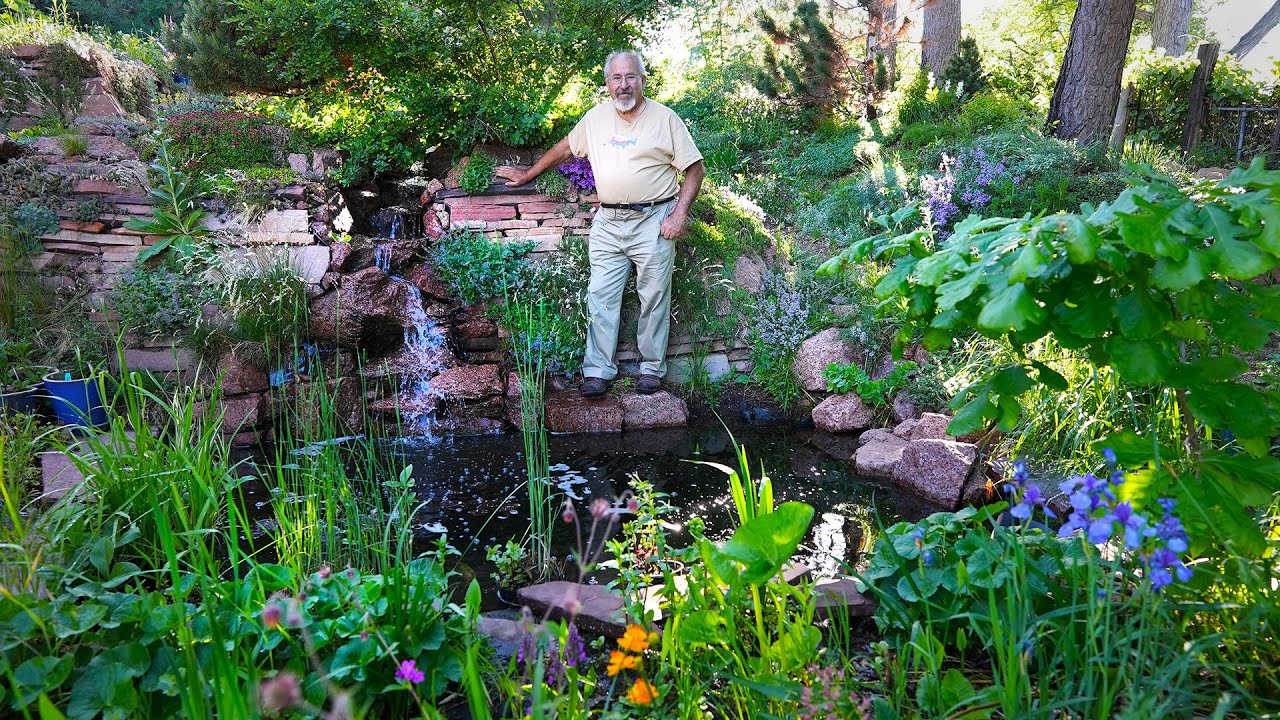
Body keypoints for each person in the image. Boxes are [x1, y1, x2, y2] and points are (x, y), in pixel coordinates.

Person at [495, 50, 705, 398]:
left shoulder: (665, 119)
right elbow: (565, 149)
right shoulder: (595, 119)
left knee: (653, 296)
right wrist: (528, 173)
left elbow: (695, 168)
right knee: (601, 296)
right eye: (616, 79)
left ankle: (651, 369)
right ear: (607, 83)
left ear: (643, 80)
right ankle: (598, 371)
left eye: (630, 77)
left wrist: (679, 214)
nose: (624, 86)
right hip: (608, 220)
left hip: (653, 218)